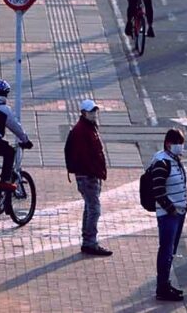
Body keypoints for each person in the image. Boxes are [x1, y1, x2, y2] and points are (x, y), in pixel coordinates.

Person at [65, 99, 112, 256]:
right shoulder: (81, 131)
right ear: (84, 113)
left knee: (90, 206)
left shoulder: (88, 127)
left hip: (91, 175)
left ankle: (88, 241)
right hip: (88, 176)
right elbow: (85, 156)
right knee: (94, 209)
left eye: (95, 111)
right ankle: (90, 242)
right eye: (91, 111)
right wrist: (95, 171)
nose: (94, 114)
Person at [150, 129, 187, 301]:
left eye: (182, 143)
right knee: (166, 249)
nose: (180, 146)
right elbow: (158, 190)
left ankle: (165, 283)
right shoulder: (161, 162)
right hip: (169, 214)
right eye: (177, 143)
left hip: (178, 212)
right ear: (168, 144)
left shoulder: (173, 159)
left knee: (170, 250)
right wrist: (171, 209)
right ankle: (162, 287)